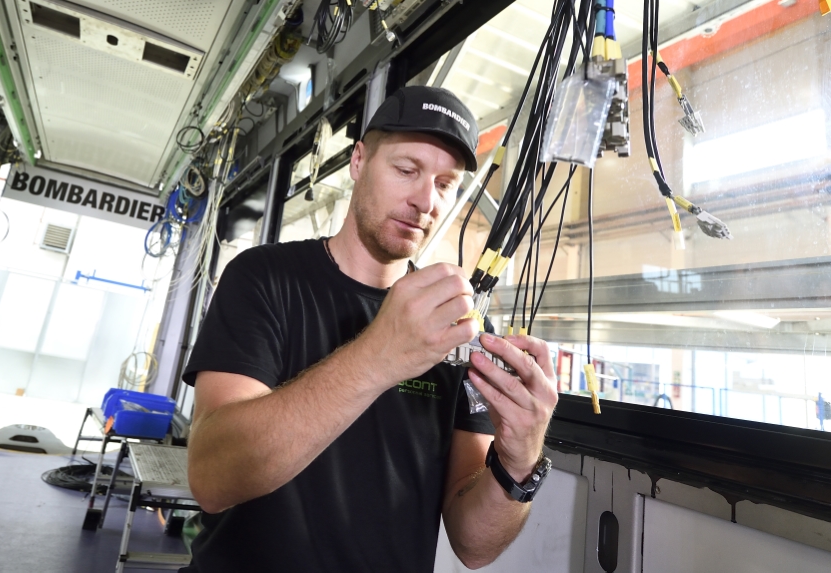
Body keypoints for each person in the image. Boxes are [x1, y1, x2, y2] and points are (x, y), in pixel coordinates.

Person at [181, 86, 559, 572]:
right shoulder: (263, 278)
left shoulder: (456, 325)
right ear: (359, 160)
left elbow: (474, 544)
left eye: (445, 183)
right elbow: (213, 479)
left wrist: (519, 462)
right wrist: (380, 356)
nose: (426, 199)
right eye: (407, 170)